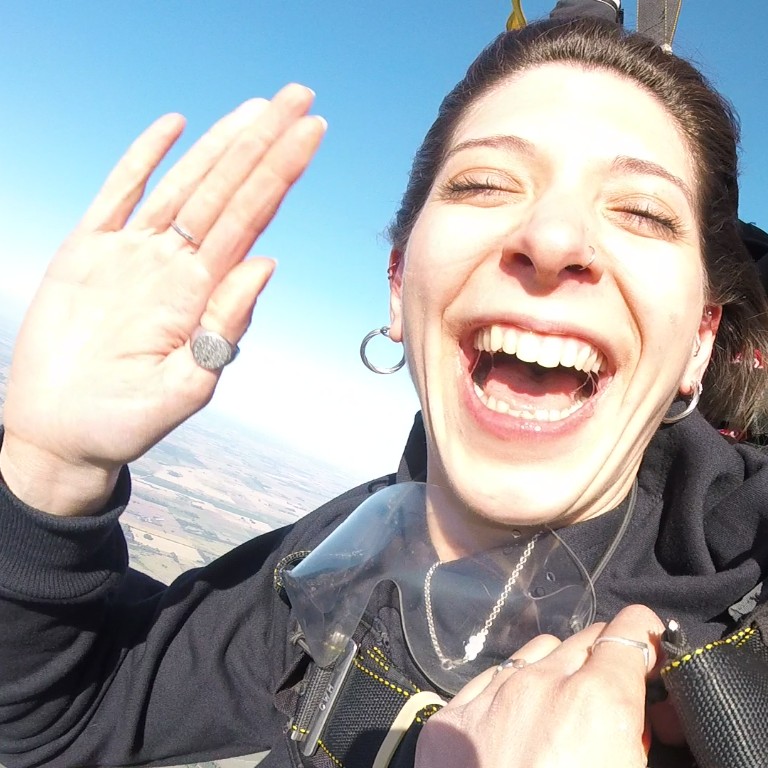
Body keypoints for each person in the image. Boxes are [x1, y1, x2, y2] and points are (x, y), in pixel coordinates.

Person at [2, 14, 768, 768]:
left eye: (642, 210)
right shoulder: (346, 559)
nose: (555, 239)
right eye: (485, 183)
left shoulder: (746, 642)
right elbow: (53, 721)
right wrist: (50, 469)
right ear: (399, 286)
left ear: (699, 339)